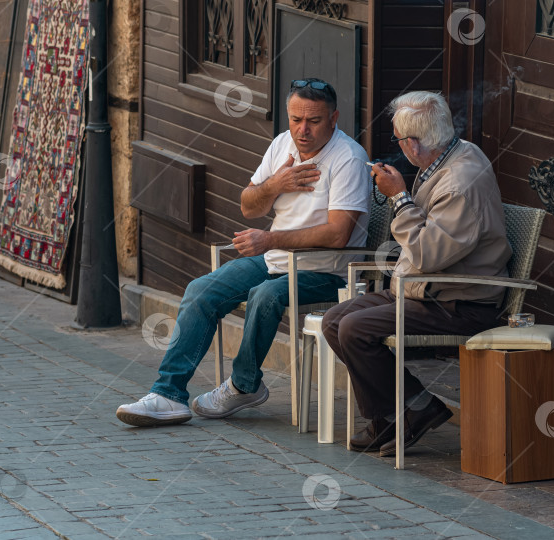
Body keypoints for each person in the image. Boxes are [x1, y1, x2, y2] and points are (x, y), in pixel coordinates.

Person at [117, 78, 371, 427]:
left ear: (334, 118)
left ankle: (244, 385)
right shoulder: (284, 144)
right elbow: (249, 207)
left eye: (313, 120)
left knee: (264, 295)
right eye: (295, 119)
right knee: (200, 290)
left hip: (328, 272)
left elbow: (339, 234)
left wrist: (271, 240)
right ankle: (168, 394)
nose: (303, 130)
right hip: (277, 260)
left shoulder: (349, 158)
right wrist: (274, 185)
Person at [322, 91, 512, 456]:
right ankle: (393, 416)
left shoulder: (460, 182)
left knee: (355, 328)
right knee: (335, 320)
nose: (398, 146)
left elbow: (426, 254)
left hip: (460, 302)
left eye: (397, 139)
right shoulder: (450, 153)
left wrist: (399, 199)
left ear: (412, 143)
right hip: (424, 290)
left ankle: (417, 409)